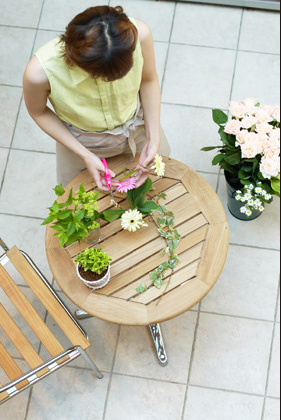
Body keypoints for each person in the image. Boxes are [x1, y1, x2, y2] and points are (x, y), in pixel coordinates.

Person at [23, 5, 170, 189]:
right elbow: (38, 112)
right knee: (81, 201)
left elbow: (148, 80)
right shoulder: (39, 73)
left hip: (138, 126)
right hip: (81, 142)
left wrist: (153, 137)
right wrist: (85, 155)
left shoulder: (140, 35)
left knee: (160, 184)